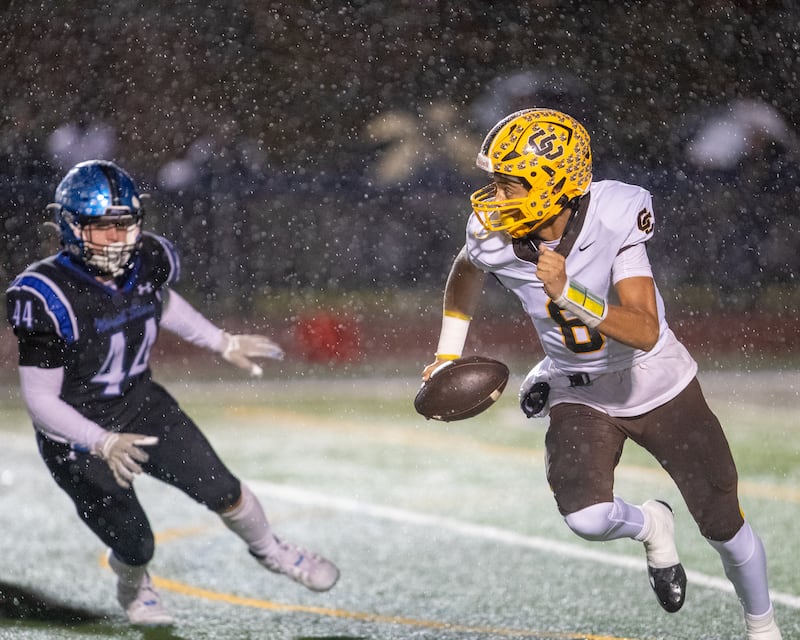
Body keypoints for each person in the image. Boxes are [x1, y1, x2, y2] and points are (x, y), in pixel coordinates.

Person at [422, 109, 782, 640]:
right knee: (587, 518)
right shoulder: (492, 231)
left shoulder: (615, 213)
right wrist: (448, 353)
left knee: (723, 526)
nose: (494, 199)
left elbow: (642, 330)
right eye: (493, 183)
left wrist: (569, 293)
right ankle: (652, 524)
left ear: (554, 185)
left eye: (509, 185)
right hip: (575, 386)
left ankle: (763, 626)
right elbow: (466, 271)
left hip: (654, 380)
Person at [5, 160, 340, 626]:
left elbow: (159, 300)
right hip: (77, 436)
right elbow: (41, 402)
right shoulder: (45, 295)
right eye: (102, 229)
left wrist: (221, 341)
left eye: (124, 226)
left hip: (141, 405)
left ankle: (271, 550)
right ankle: (133, 583)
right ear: (70, 227)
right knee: (137, 543)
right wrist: (101, 441)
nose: (117, 239)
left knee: (224, 489)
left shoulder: (149, 260)